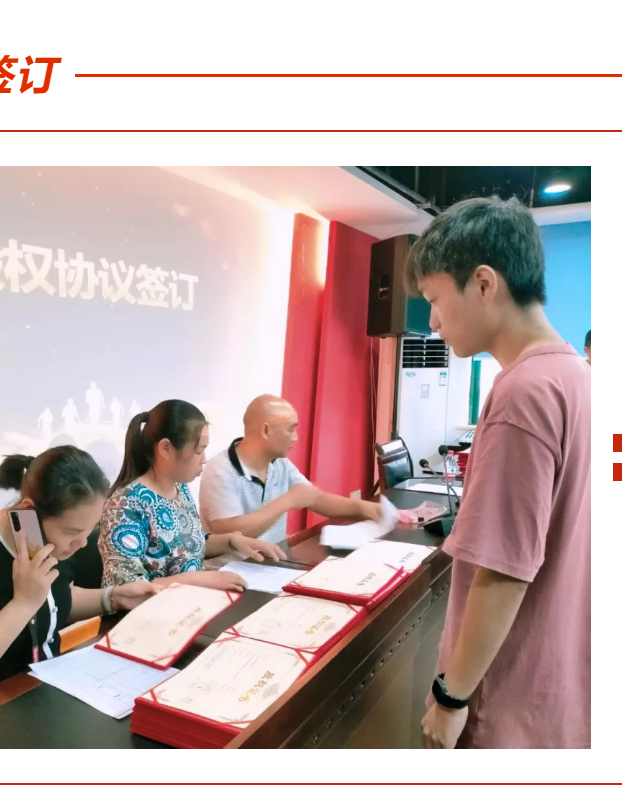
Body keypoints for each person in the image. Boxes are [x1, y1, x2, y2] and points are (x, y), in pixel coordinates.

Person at [406, 196, 590, 749]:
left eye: (435, 300)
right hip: (558, 688)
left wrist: (451, 696)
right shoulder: (577, 376)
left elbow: (505, 568)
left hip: (507, 694)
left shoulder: (522, 392)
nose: (432, 321)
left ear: (484, 284)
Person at [0, 446, 160, 708]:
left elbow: (53, 600)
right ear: (28, 510)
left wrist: (113, 598)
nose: (82, 543)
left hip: (43, 690)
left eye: (89, 530)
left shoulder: (45, 540)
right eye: (73, 532)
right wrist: (23, 603)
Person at [99, 400, 286, 590]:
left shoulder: (179, 488)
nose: (204, 459)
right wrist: (201, 579)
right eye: (199, 450)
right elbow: (126, 589)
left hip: (189, 601)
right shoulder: (125, 504)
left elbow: (188, 546)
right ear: (166, 448)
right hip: (150, 608)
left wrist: (232, 541)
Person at [199, 395, 382, 545]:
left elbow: (315, 498)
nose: (295, 438)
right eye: (290, 430)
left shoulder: (280, 463)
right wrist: (287, 501)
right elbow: (229, 533)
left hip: (274, 562)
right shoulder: (221, 469)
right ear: (266, 431)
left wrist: (364, 507)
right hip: (231, 572)